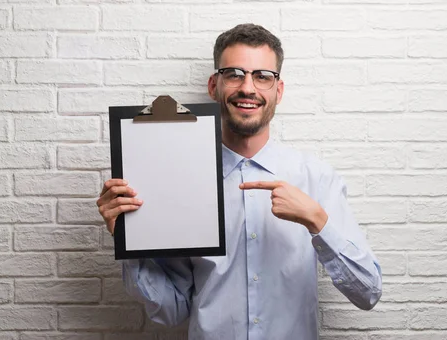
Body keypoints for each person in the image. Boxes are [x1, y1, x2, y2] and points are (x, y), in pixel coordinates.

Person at [96, 23, 382, 340]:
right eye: (234, 74)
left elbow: (367, 292)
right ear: (214, 86)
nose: (248, 88)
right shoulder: (180, 182)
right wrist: (129, 240)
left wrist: (316, 220)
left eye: (262, 76)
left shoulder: (316, 178)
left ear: (279, 90)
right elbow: (172, 310)